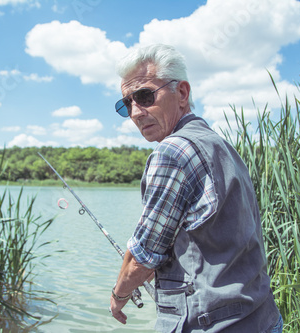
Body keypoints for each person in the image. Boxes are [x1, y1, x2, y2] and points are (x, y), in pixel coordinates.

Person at [109, 44, 283, 332]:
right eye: (126, 104)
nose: (136, 113)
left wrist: (119, 295)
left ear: (182, 93)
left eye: (144, 96)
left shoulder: (172, 151)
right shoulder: (221, 145)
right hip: (262, 317)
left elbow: (142, 257)